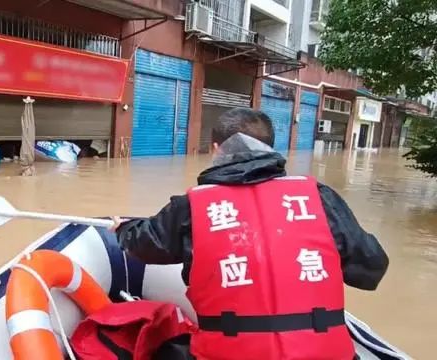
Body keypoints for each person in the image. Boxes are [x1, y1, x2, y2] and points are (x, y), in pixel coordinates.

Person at [111, 108, 389, 360]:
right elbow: (371, 268)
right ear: (270, 148)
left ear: (216, 148)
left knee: (165, 351)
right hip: (326, 354)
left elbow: (144, 245)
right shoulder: (318, 198)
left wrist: (122, 227)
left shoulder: (192, 207)